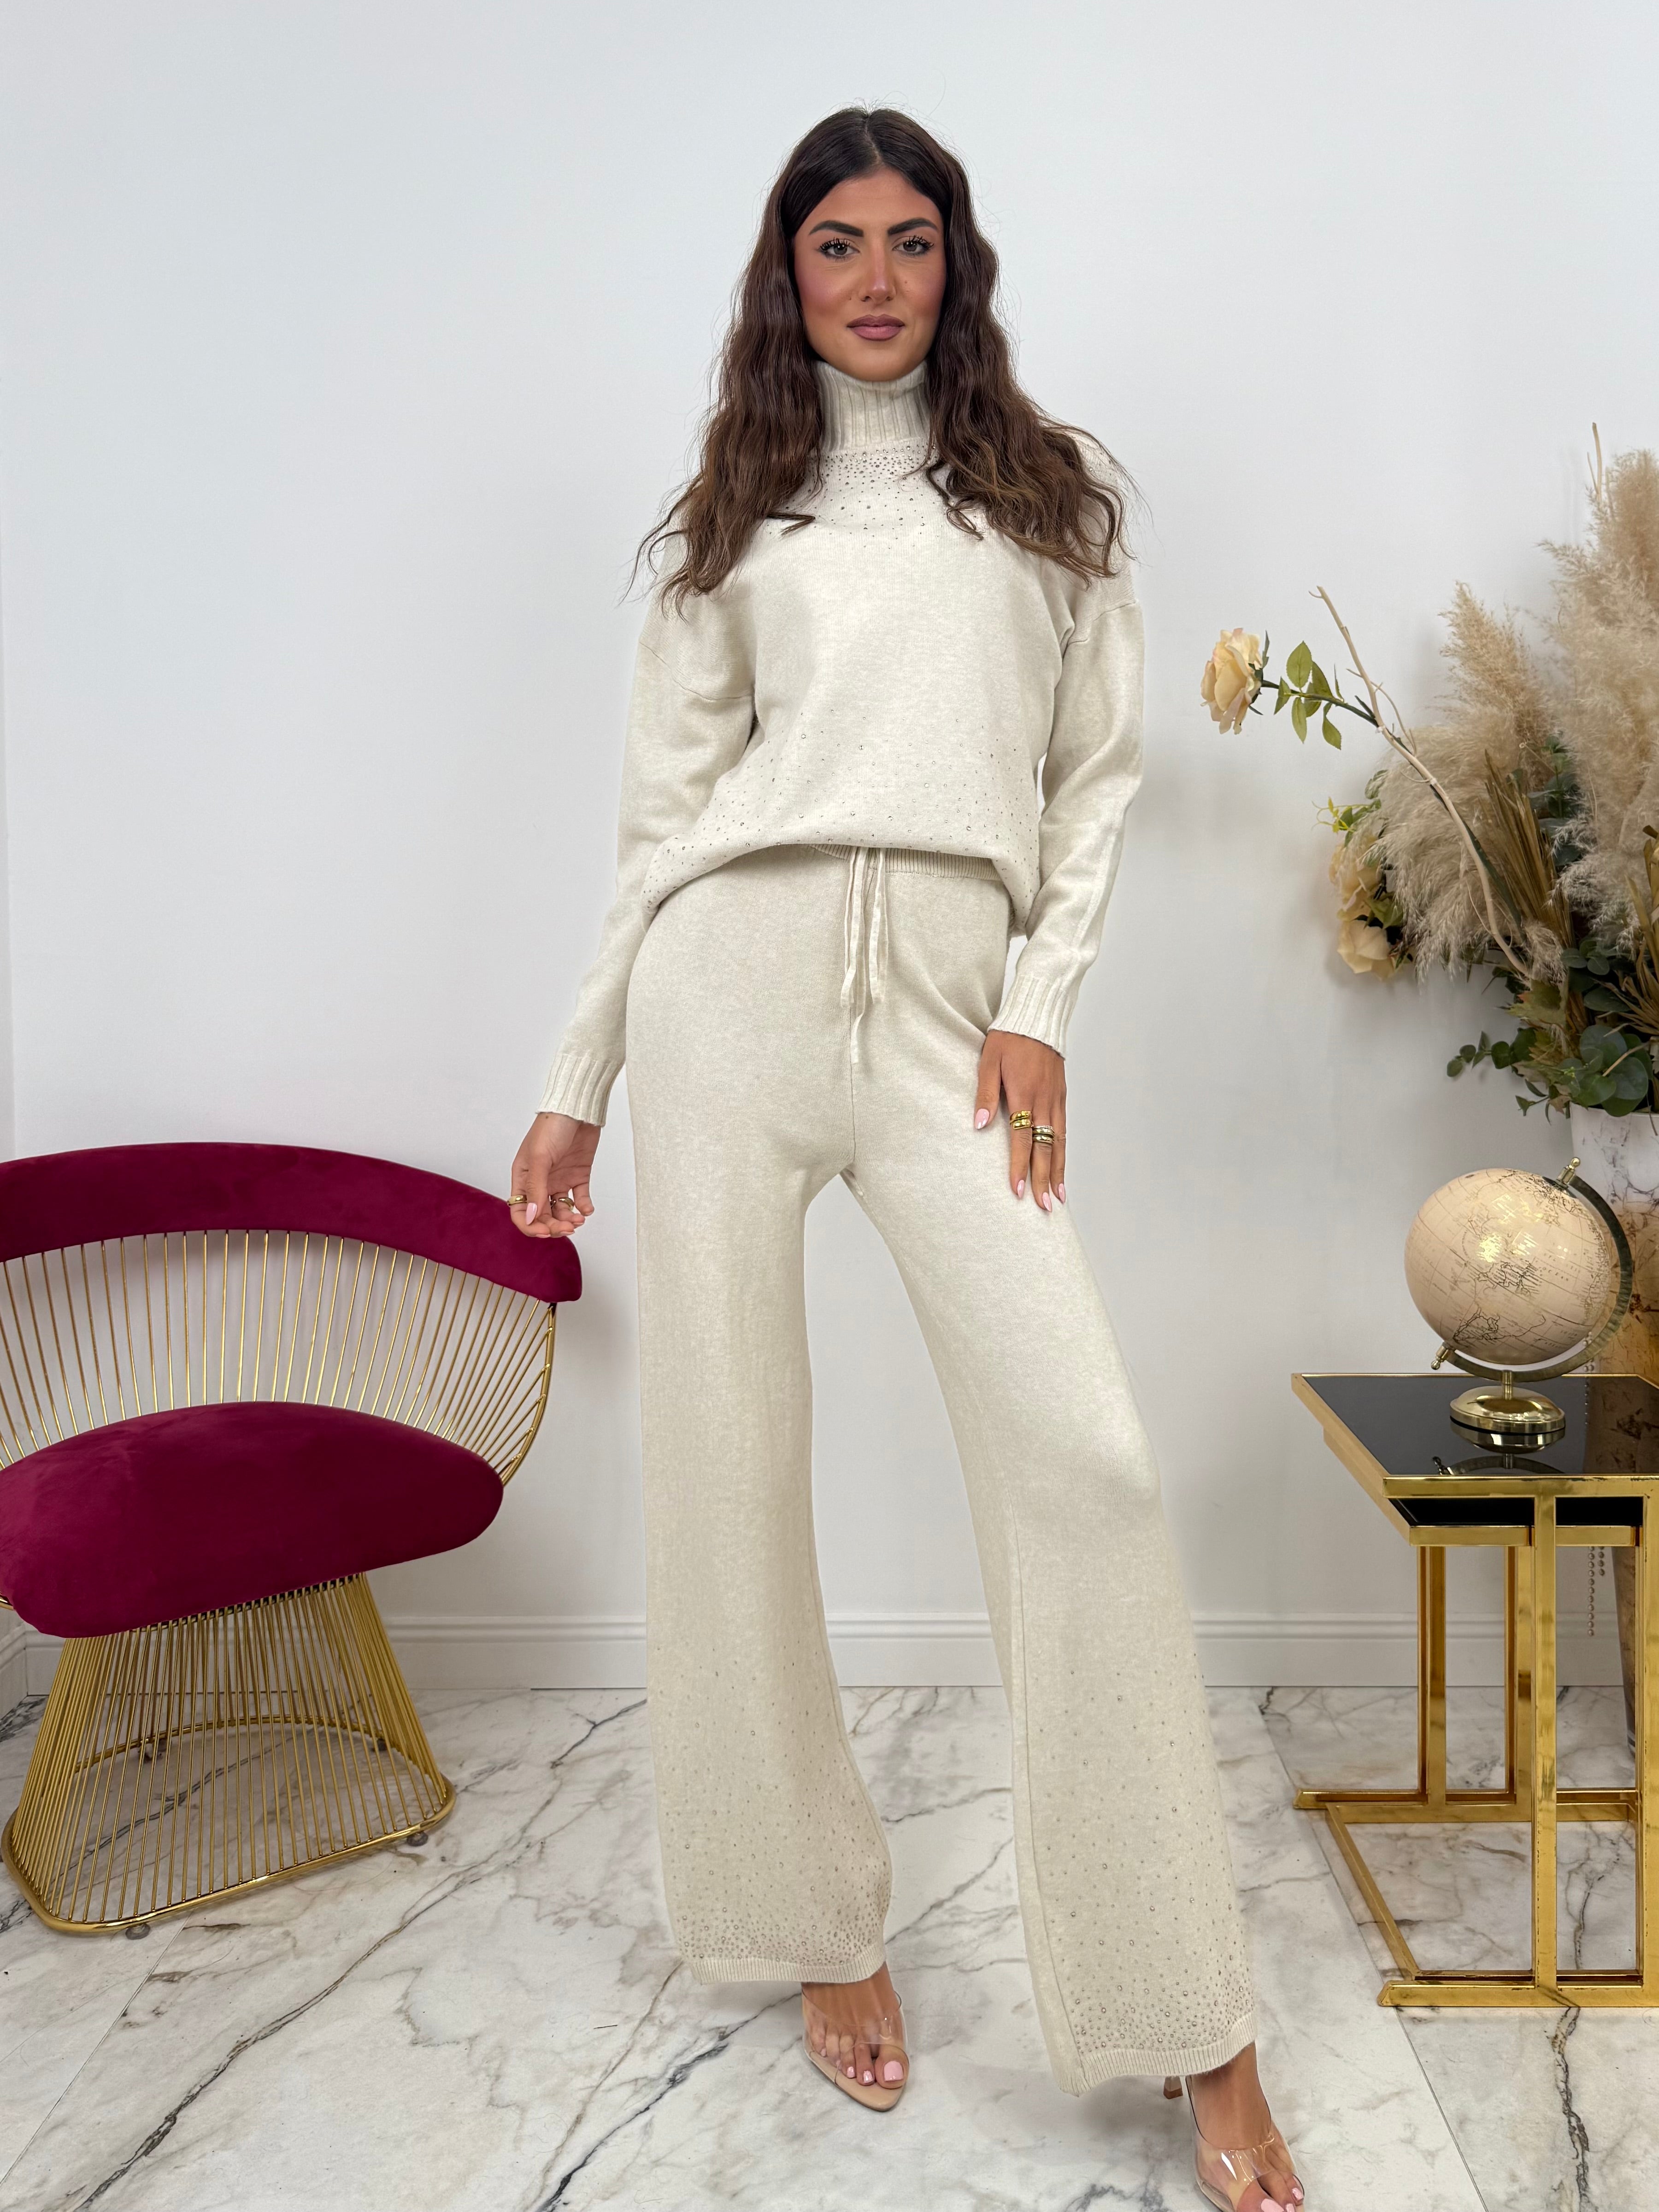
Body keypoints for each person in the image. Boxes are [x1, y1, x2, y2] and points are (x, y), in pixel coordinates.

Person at [511, 106, 1303, 2212]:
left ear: (962, 264)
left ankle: (1194, 2019)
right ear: (787, 275)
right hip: (729, 996)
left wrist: (1041, 1003)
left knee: (1091, 1463)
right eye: (837, 244)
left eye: (912, 241)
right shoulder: (733, 522)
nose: (876, 279)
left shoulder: (1050, 504)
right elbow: (658, 830)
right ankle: (814, 1923)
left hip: (955, 1021)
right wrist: (582, 1070)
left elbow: (1094, 790)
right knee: (727, 1464)